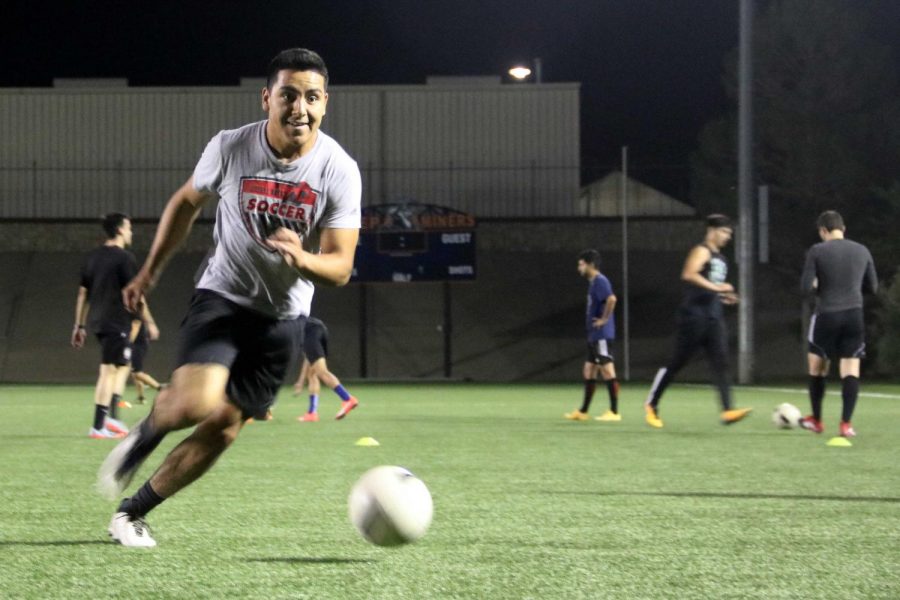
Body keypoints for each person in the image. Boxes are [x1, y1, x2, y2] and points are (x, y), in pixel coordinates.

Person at [97, 48, 361, 548]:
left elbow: (341, 266)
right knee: (195, 404)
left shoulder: (339, 170)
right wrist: (149, 272)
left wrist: (302, 259)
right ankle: (148, 430)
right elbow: (184, 203)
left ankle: (130, 515)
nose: (298, 108)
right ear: (267, 98)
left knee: (222, 429)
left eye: (310, 97)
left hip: (283, 321)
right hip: (223, 297)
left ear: (325, 103)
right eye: (287, 95)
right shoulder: (231, 147)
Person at [644, 214, 752, 428]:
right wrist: (718, 288)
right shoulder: (701, 251)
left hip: (713, 318)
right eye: (724, 232)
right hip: (693, 317)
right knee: (677, 362)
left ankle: (728, 410)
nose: (727, 237)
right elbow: (689, 274)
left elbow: (707, 285)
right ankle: (651, 404)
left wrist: (723, 296)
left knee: (721, 363)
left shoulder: (721, 258)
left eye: (729, 233)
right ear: (712, 231)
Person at [799, 210, 877, 438]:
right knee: (851, 369)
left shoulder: (817, 250)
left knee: (817, 366)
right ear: (843, 229)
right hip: (854, 315)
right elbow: (872, 288)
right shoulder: (862, 250)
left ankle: (817, 420)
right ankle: (846, 424)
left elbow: (805, 289)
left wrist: (817, 286)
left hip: (827, 314)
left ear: (823, 230)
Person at [71, 213, 142, 439]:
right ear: (120, 230)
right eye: (129, 227)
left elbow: (83, 293)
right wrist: (139, 318)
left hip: (99, 320)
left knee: (120, 366)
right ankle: (98, 426)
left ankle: (109, 419)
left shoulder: (92, 257)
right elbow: (132, 292)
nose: (131, 232)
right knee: (108, 371)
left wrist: (79, 325)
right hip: (116, 320)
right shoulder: (124, 258)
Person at [564, 250, 620, 422]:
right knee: (589, 370)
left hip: (602, 334)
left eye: (581, 264)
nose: (578, 268)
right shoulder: (593, 283)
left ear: (590, 264)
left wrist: (604, 319)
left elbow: (612, 299)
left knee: (607, 370)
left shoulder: (600, 281)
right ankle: (583, 411)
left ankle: (614, 411)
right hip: (594, 335)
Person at [294, 317, 359, 421]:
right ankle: (312, 413)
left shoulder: (289, 330)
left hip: (311, 331)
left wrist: (300, 382)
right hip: (320, 327)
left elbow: (306, 353)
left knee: (322, 372)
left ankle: (348, 399)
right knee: (312, 374)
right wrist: (300, 381)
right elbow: (308, 358)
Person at [129, 317, 162, 405]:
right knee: (134, 373)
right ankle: (141, 397)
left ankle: (161, 389)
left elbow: (134, 329)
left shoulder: (135, 313)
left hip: (138, 346)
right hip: (136, 345)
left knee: (137, 373)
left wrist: (127, 344)